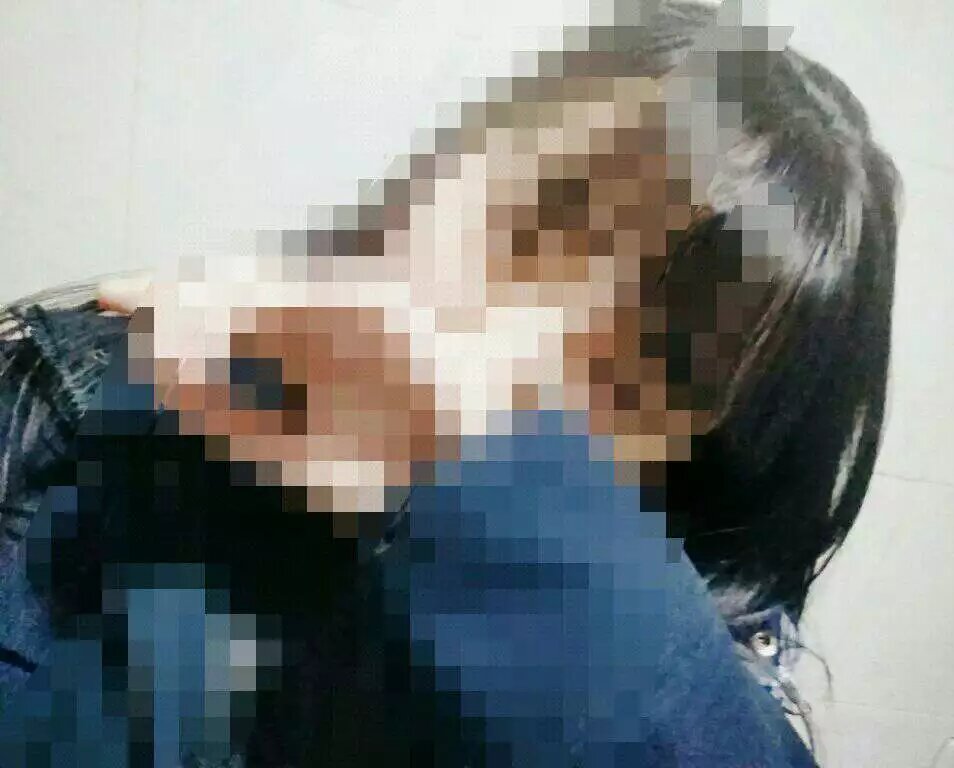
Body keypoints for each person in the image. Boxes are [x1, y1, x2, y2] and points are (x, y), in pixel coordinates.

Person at [0, 0, 900, 764]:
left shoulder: (692, 658)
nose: (532, 347)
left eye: (655, 364)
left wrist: (476, 457)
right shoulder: (83, 416)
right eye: (548, 213)